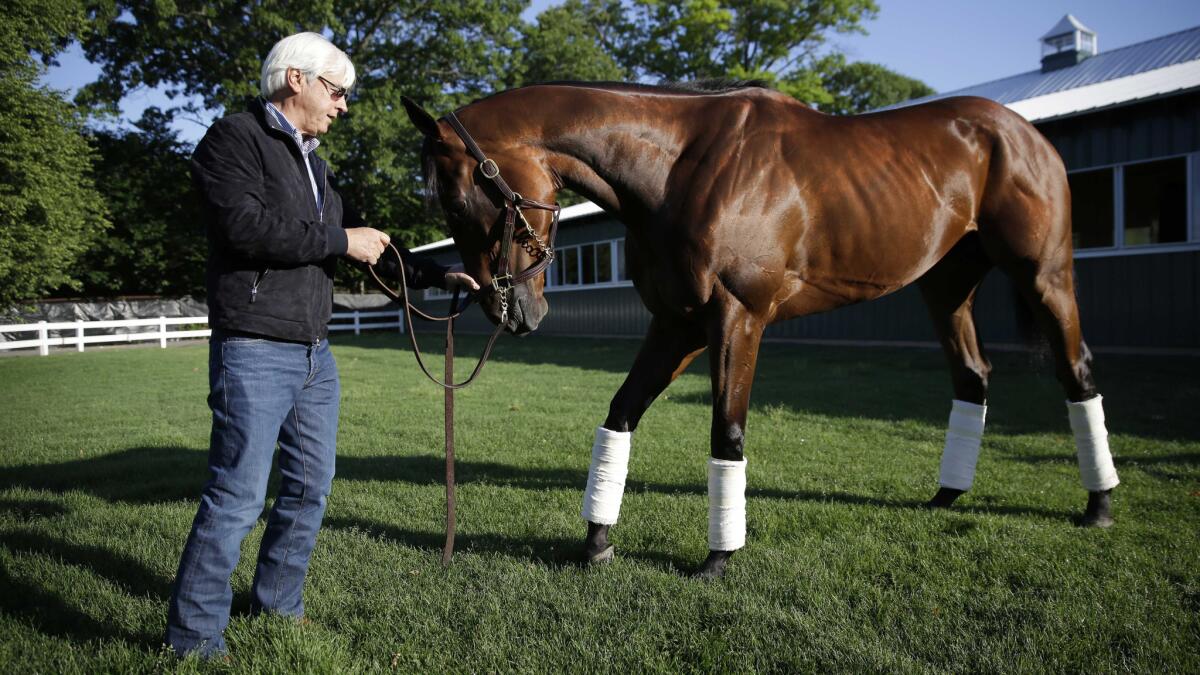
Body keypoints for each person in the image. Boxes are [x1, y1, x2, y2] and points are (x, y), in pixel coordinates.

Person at [165, 32, 478, 658]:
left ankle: (277, 607)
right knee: (237, 497)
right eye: (338, 92)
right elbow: (245, 227)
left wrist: (437, 277)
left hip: (314, 355)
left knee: (310, 488)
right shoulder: (233, 139)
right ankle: (193, 640)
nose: (343, 107)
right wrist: (340, 241)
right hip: (253, 348)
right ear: (296, 80)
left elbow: (367, 242)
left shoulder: (317, 164)